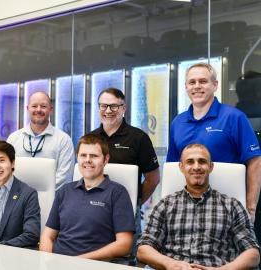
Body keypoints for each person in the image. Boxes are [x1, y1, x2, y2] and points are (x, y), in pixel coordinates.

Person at [138, 144, 260, 269]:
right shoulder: (165, 205)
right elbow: (143, 249)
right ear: (181, 167)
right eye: (190, 162)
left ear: (211, 167)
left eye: (202, 161)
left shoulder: (232, 206)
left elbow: (253, 253)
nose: (196, 167)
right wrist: (169, 264)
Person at [167, 63, 261, 221]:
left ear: (215, 85)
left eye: (203, 81)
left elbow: (255, 161)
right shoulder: (178, 122)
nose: (197, 86)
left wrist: (250, 207)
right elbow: (173, 168)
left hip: (227, 210)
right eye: (192, 82)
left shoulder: (234, 117)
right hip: (187, 211)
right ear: (186, 87)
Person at [40, 134, 135, 260]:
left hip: (93, 264)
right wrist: (48, 261)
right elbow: (47, 236)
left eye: (94, 156)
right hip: (58, 263)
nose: (88, 160)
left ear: (105, 159)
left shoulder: (117, 193)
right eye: (83, 155)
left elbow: (124, 245)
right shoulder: (65, 191)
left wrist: (79, 262)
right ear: (77, 158)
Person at [90, 88, 160, 205]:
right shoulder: (90, 138)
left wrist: (135, 203)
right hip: (93, 205)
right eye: (103, 106)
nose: (108, 111)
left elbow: (153, 179)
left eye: (114, 106)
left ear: (123, 109)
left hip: (125, 208)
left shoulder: (139, 138)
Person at [7, 91, 74, 189]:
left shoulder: (64, 140)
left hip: (52, 200)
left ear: (50, 110)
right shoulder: (13, 138)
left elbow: (64, 178)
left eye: (43, 106)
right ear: (27, 109)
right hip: (17, 199)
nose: (38, 110)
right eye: (34, 106)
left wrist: (42, 193)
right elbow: (7, 171)